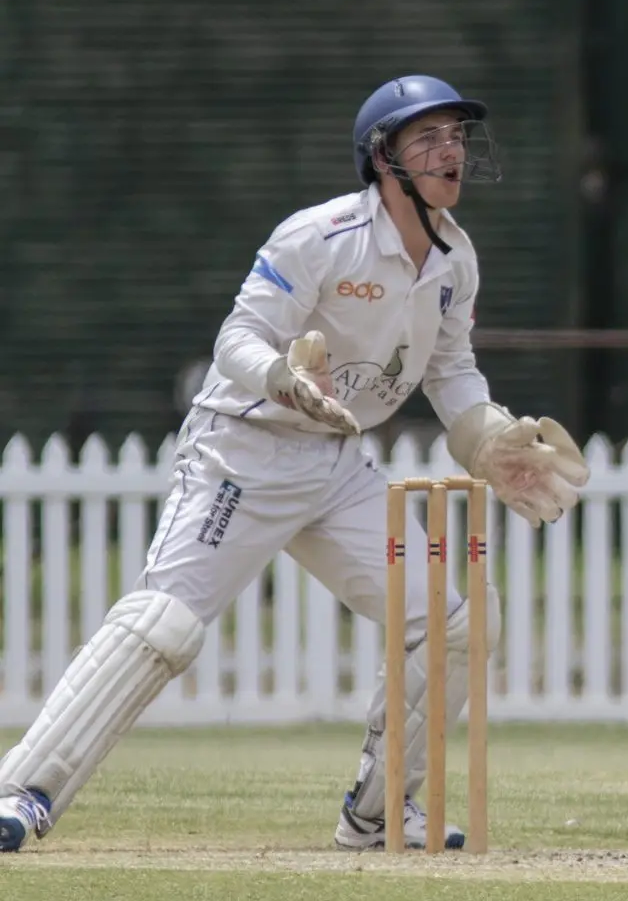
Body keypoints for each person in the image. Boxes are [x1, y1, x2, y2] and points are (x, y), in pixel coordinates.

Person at [0, 74, 589, 853]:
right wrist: (283, 377)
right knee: (166, 623)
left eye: (456, 134)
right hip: (242, 451)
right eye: (428, 137)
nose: (451, 150)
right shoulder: (320, 236)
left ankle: (379, 812)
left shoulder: (455, 261)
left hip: (336, 463)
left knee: (456, 619)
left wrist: (488, 438)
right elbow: (235, 341)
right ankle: (20, 790)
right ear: (385, 158)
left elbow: (451, 372)